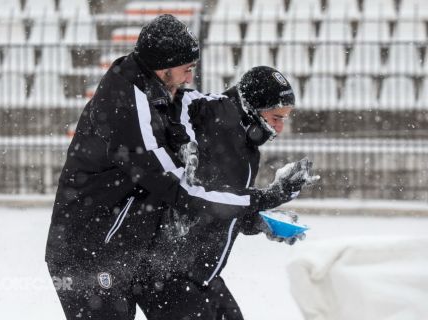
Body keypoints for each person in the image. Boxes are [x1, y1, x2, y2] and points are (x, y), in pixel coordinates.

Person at [45, 14, 314, 320]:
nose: (189, 78)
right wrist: (266, 197)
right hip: (88, 254)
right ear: (165, 67)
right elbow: (179, 190)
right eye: (186, 70)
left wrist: (256, 219)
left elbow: (205, 114)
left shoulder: (160, 93)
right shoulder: (129, 106)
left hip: (134, 251)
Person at [138, 66, 317, 319]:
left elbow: (222, 206)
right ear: (252, 107)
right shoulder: (209, 111)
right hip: (168, 273)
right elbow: (174, 99)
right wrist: (269, 196)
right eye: (276, 117)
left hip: (203, 275)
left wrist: (260, 222)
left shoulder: (249, 149)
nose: (279, 128)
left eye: (284, 119)